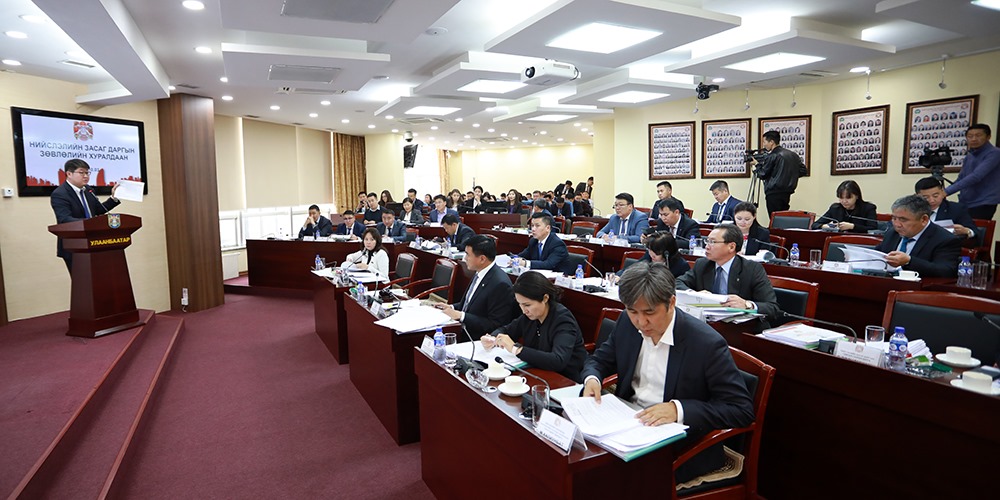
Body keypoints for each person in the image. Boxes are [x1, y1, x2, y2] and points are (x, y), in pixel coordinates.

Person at [581, 262, 754, 483]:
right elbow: (599, 360)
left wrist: (677, 409)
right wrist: (592, 379)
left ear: (671, 303)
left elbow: (741, 409)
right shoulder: (627, 322)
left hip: (682, 443)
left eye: (649, 313)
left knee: (613, 479)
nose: (641, 322)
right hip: (628, 427)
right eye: (633, 311)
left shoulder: (705, 343)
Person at [482, 271, 588, 382]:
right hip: (537, 373)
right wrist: (493, 338)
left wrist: (516, 349)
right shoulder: (529, 316)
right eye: (520, 304)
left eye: (527, 305)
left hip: (566, 380)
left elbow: (558, 360)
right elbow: (506, 330)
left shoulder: (563, 320)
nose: (524, 310)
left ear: (545, 298)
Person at [676, 225, 781, 327]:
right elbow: (677, 283)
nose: (706, 246)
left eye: (712, 242)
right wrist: (694, 294)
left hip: (743, 328)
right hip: (710, 325)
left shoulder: (752, 269)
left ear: (731, 247)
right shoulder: (702, 264)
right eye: (707, 241)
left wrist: (747, 305)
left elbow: (772, 308)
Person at [437, 235, 518, 339]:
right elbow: (470, 304)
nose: (465, 258)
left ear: (482, 259)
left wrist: (461, 316)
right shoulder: (480, 272)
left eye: (468, 255)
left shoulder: (500, 284)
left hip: (477, 339)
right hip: (463, 330)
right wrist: (451, 307)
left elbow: (495, 324)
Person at [50, 158, 121, 272]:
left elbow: (99, 210)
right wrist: (90, 223)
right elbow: (64, 219)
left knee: (99, 279)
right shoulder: (60, 194)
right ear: (69, 174)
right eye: (81, 172)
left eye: (87, 173)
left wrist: (114, 198)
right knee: (82, 281)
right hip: (74, 245)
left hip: (93, 242)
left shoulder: (88, 190)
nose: (86, 176)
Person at [875, 195, 961, 278]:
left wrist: (909, 261)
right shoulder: (893, 233)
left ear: (924, 219)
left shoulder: (945, 239)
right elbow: (878, 254)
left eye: (903, 220)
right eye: (894, 218)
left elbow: (946, 271)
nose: (897, 224)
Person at [945, 124, 1000, 220]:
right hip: (965, 201)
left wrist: (947, 192)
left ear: (988, 137)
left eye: (978, 135)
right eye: (970, 136)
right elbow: (961, 178)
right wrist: (941, 192)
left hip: (983, 202)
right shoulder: (970, 155)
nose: (974, 139)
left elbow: (976, 176)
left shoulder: (995, 153)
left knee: (973, 229)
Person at [752, 130, 804, 218]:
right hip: (787, 192)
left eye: (764, 142)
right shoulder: (793, 155)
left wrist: (757, 164)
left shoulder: (773, 155)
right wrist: (788, 175)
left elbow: (762, 174)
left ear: (771, 142)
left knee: (774, 219)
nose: (764, 145)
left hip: (773, 192)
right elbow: (803, 171)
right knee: (782, 218)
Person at [915, 176, 978, 243]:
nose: (932, 200)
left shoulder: (956, 209)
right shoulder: (913, 210)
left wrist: (966, 231)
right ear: (917, 196)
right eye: (926, 197)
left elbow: (976, 232)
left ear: (942, 192)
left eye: (935, 196)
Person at [811, 180, 878, 233]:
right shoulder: (835, 208)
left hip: (861, 242)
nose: (844, 201)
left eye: (848, 198)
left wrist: (852, 226)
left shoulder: (868, 208)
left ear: (857, 196)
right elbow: (815, 225)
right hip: (838, 241)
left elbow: (873, 228)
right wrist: (826, 226)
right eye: (841, 198)